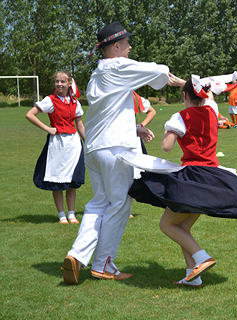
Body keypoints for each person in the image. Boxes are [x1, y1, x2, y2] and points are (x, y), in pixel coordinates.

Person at [62, 21, 177, 285]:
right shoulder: (116, 66)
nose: (129, 48)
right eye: (126, 44)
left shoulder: (96, 75)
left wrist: (134, 128)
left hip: (93, 149)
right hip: (113, 150)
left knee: (99, 202)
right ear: (115, 46)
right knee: (120, 204)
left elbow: (108, 112)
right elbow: (157, 71)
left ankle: (77, 255)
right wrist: (178, 80)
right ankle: (103, 263)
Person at [129, 76, 237, 287]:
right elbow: (209, 93)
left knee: (167, 224)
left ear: (184, 96)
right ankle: (192, 276)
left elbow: (167, 146)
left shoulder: (181, 116)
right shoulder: (212, 110)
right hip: (213, 177)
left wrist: (170, 131)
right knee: (182, 227)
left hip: (193, 179)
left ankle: (202, 257)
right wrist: (183, 84)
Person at [25, 71, 85, 225]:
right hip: (57, 144)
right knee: (57, 180)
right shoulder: (50, 100)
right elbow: (30, 115)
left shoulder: (74, 102)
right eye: (57, 81)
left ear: (69, 84)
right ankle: (61, 215)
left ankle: (71, 214)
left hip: (73, 145)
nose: (59, 84)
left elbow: (79, 124)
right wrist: (48, 128)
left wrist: (88, 142)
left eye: (62, 82)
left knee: (72, 180)